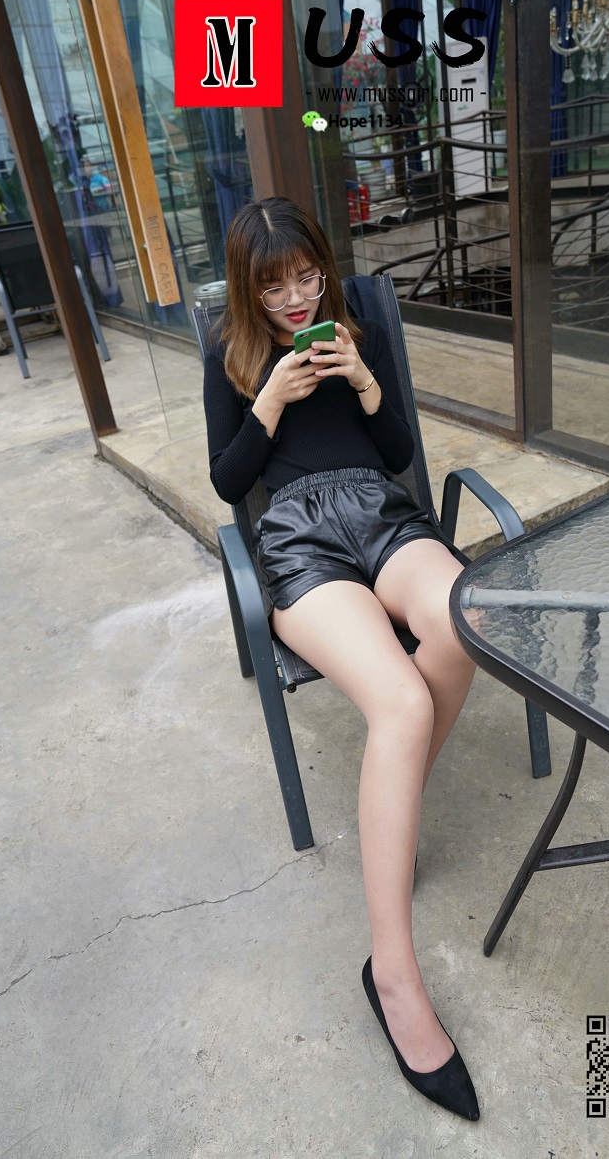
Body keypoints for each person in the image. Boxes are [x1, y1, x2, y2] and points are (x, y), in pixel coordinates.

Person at [203, 197, 480, 1121]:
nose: (296, 298)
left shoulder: (355, 325)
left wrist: (363, 379)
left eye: (307, 276)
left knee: (464, 622)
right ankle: (391, 972)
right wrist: (270, 401)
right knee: (400, 701)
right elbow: (229, 481)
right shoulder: (230, 352)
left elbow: (398, 453)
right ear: (248, 289)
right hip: (296, 536)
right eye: (274, 286)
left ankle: (387, 822)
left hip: (380, 510)